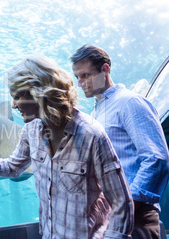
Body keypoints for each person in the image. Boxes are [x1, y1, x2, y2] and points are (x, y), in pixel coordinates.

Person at [0, 55, 134, 238]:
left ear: (39, 92)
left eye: (17, 96)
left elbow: (122, 202)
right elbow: (12, 168)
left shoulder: (91, 134)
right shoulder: (31, 132)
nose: (13, 105)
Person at [70, 44, 169, 239]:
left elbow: (157, 158)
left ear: (105, 69)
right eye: (77, 77)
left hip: (137, 216)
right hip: (113, 218)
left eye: (85, 75)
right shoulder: (97, 112)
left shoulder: (130, 102)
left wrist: (128, 204)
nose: (80, 83)